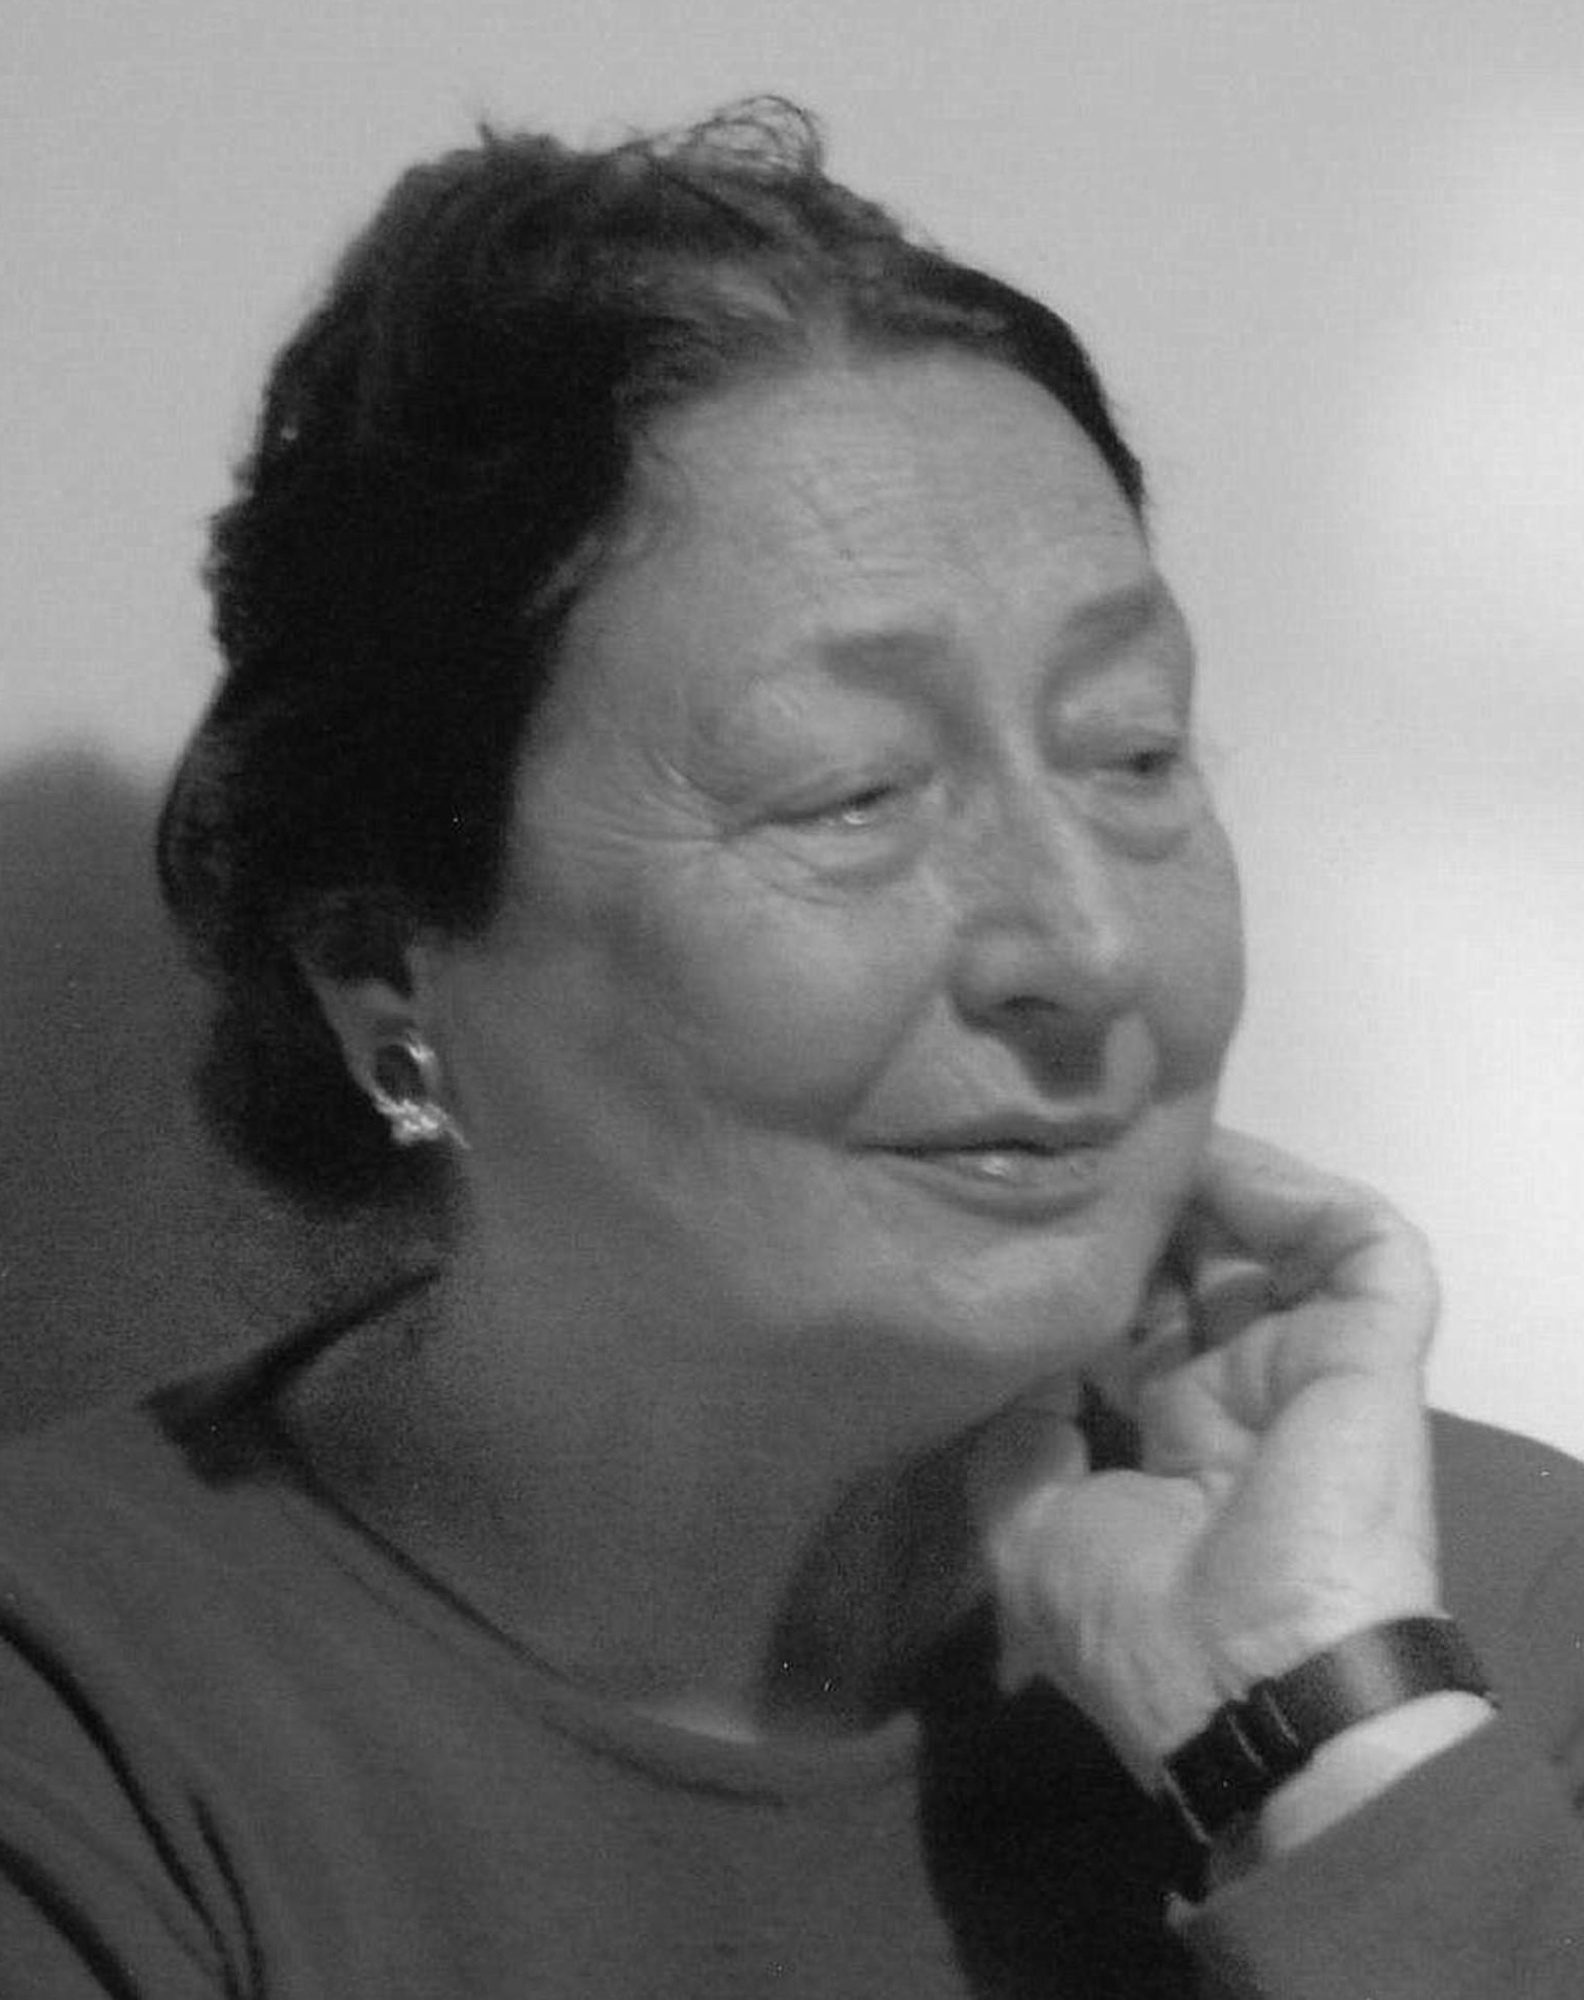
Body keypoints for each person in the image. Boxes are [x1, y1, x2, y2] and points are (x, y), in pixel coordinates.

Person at [0, 100, 1580, 1999]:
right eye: (848, 793)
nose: (1084, 945)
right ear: (381, 970)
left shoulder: (1499, 1620)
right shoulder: (87, 1724)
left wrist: (1331, 1739)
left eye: (1135, 750)